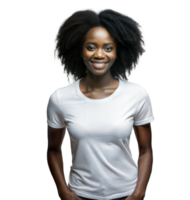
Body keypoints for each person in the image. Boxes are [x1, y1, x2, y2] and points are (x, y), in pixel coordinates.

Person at [46, 7, 156, 200]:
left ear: (117, 52)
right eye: (91, 47)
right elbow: (53, 150)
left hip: (126, 195)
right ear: (79, 50)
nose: (99, 54)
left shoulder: (137, 95)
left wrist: (139, 192)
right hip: (80, 195)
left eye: (108, 47)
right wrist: (63, 192)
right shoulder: (60, 98)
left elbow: (146, 149)